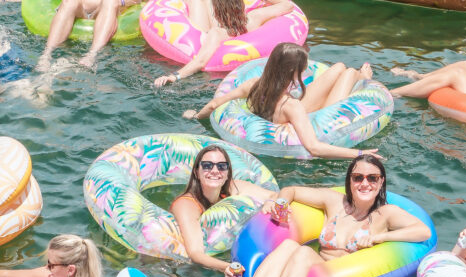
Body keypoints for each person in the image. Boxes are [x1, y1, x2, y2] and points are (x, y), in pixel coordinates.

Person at [225, 154, 432, 277]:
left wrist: (379, 238)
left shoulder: (385, 214)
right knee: (290, 246)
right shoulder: (335, 202)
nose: (365, 183)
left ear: (381, 182)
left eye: (372, 178)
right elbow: (292, 190)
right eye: (358, 177)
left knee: (303, 253)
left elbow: (422, 231)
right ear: (349, 181)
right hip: (309, 268)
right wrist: (278, 202)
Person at [183, 42, 381, 160]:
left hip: (290, 109)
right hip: (316, 117)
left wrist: (196, 116)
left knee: (338, 66)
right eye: (301, 69)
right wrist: (359, 154)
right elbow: (314, 147)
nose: (304, 71)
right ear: (290, 72)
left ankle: (357, 76)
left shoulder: (253, 84)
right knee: (348, 73)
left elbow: (214, 104)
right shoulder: (291, 106)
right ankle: (362, 79)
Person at [169, 143, 277, 277]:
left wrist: (270, 203)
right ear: (196, 172)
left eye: (221, 166)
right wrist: (228, 267)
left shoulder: (232, 188)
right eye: (207, 165)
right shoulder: (186, 205)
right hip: (177, 267)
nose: (215, 171)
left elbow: (274, 195)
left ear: (227, 174)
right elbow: (195, 254)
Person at [153, 0, 292, 87]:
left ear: (217, 12)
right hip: (251, 74)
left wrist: (173, 76)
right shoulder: (255, 18)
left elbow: (200, 62)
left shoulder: (217, 33)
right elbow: (287, 4)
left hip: (216, 81)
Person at [36, 0, 141, 70]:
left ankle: (92, 55)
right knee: (70, 1)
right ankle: (46, 55)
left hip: (110, 11)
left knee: (110, 1)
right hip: (83, 11)